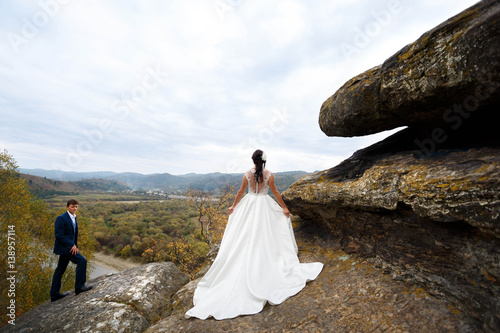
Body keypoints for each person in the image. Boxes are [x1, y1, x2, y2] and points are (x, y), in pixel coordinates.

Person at [185, 150, 323, 320]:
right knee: (264, 233)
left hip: (249, 205)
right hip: (264, 205)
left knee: (244, 234)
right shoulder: (270, 175)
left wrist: (233, 207)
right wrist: (285, 208)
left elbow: (240, 192)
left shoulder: (246, 175)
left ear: (253, 160)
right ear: (264, 161)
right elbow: (276, 192)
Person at [50, 199, 92, 302]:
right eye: (73, 206)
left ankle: (54, 294)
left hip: (70, 248)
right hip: (65, 248)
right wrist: (71, 245)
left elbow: (73, 235)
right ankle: (79, 287)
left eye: (76, 207)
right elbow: (59, 235)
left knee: (60, 270)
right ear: (67, 207)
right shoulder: (61, 218)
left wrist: (75, 246)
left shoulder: (74, 217)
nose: (75, 208)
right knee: (82, 261)